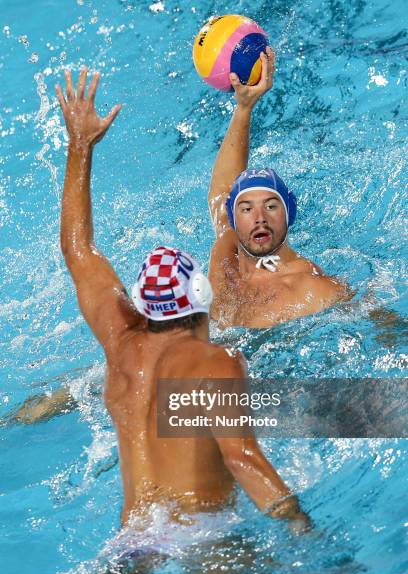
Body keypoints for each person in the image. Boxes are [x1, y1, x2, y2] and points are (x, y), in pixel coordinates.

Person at [53, 68, 309, 529]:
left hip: (132, 539)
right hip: (201, 536)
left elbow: (78, 250)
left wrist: (80, 147)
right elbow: (242, 459)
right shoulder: (217, 362)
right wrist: (303, 527)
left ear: (142, 304)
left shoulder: (121, 347)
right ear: (201, 294)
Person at [208, 47, 350, 328]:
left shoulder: (314, 289)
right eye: (246, 209)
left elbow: (373, 320)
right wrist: (244, 108)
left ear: (289, 215)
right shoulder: (226, 252)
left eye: (271, 206)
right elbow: (223, 191)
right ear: (234, 219)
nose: (259, 217)